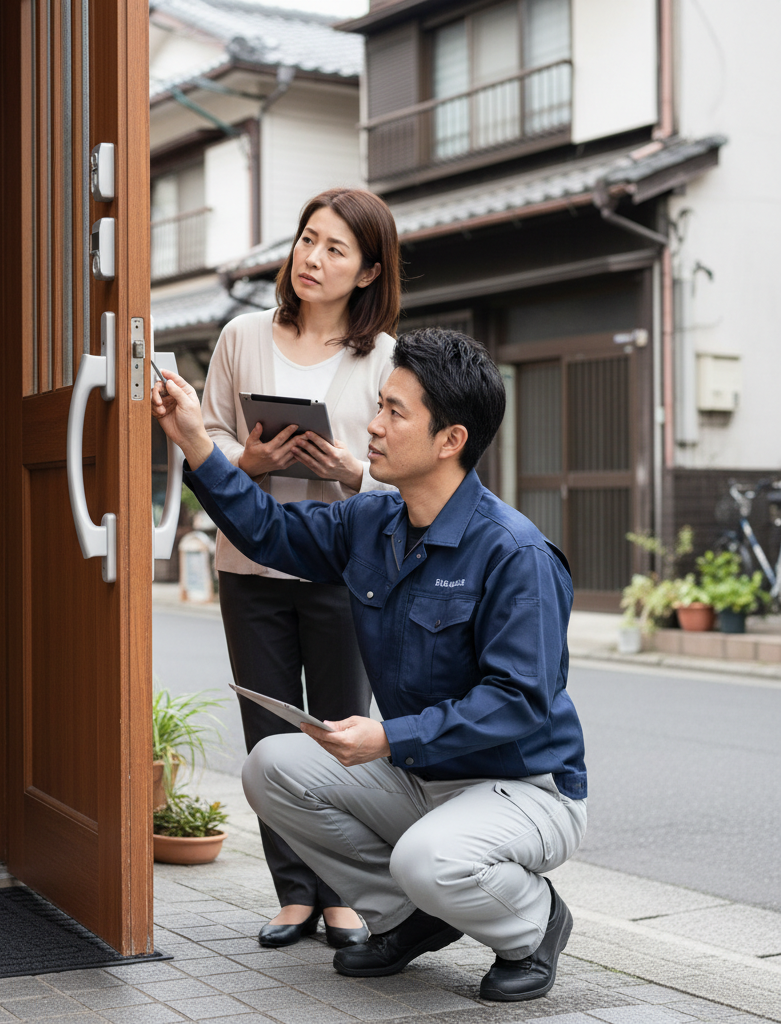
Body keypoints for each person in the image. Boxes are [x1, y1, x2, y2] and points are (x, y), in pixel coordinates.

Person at [151, 328, 588, 1003]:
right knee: (272, 766)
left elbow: (518, 702)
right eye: (379, 405)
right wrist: (196, 443)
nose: (374, 426)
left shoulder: (514, 554)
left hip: (525, 788)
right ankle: (409, 917)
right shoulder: (372, 521)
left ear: (450, 440)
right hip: (424, 772)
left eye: (394, 412)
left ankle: (533, 924)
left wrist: (387, 736)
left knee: (427, 858)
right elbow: (269, 532)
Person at [199, 187, 401, 949]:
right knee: (269, 736)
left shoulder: (385, 358)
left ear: (369, 271)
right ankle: (293, 893)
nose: (312, 258)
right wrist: (249, 460)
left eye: (335, 248)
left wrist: (352, 472)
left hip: (345, 572)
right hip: (250, 565)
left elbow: (401, 471)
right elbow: (208, 435)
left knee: (344, 734)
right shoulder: (242, 336)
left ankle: (344, 892)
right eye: (307, 239)